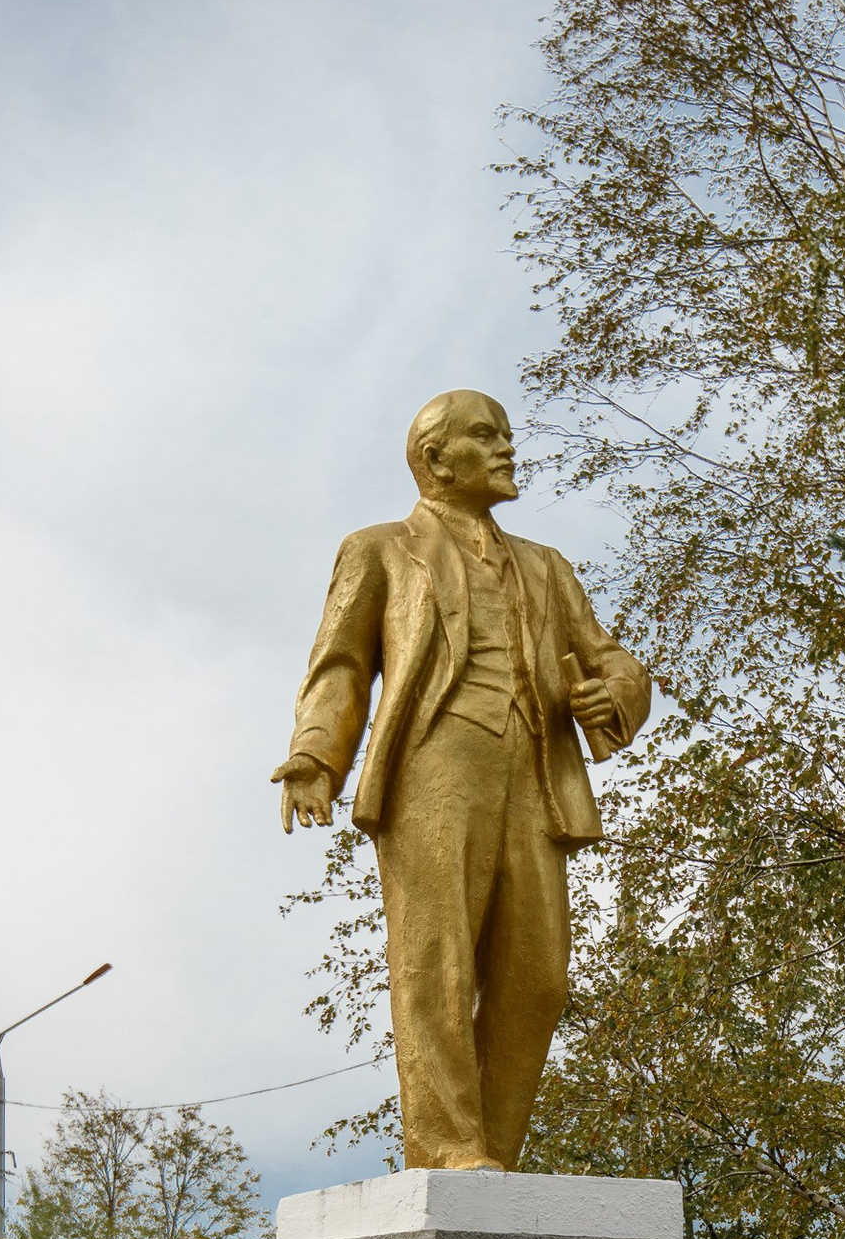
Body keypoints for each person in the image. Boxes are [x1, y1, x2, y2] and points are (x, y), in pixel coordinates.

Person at [274, 391, 651, 1170]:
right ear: (436, 459)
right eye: (487, 435)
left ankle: (494, 1158)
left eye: (507, 434)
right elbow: (341, 664)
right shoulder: (379, 549)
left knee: (538, 979)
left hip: (536, 775)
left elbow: (611, 657)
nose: (509, 448)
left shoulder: (546, 566)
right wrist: (316, 758)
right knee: (436, 964)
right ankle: (449, 1146)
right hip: (434, 767)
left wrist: (612, 694)